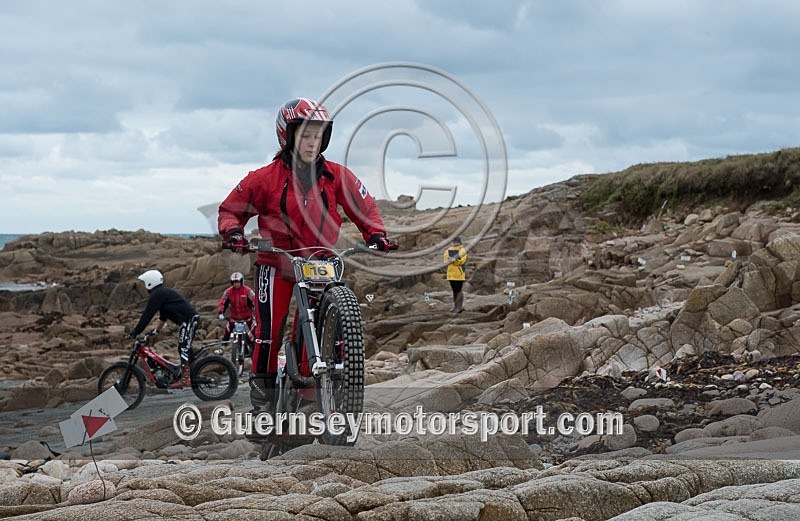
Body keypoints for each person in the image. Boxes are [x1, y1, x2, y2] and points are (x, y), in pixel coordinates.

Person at [218, 97, 397, 417]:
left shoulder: (337, 175)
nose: (312, 142)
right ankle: (262, 400)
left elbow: (364, 206)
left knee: (329, 322)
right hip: (277, 264)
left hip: (322, 264)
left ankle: (313, 395)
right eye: (305, 135)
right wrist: (233, 233)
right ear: (287, 136)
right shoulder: (263, 178)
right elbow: (232, 209)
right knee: (268, 332)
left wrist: (376, 234)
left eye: (318, 135)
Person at [129, 270, 200, 387]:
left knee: (183, 347)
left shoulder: (157, 294)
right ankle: (192, 369)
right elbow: (163, 316)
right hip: (188, 320)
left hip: (189, 320)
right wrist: (157, 330)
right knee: (184, 346)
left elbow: (147, 315)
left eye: (145, 283)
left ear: (150, 283)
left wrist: (135, 332)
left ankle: (185, 379)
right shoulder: (161, 293)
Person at [217, 271, 256, 349]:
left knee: (254, 331)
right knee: (227, 331)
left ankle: (256, 348)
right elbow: (223, 302)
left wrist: (258, 311)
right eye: (234, 282)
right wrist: (221, 312)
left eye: (238, 282)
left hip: (247, 317)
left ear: (241, 282)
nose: (236, 284)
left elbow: (254, 300)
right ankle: (223, 347)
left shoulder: (248, 291)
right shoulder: (228, 292)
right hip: (234, 318)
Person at [444, 236, 467, 313]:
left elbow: (461, 261)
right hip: (450, 274)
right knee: (454, 291)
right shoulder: (448, 250)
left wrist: (453, 260)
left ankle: (459, 307)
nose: (455, 243)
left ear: (459, 242)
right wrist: (452, 260)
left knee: (459, 290)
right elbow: (446, 260)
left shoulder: (462, 250)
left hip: (459, 274)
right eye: (454, 242)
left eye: (457, 242)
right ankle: (455, 306)